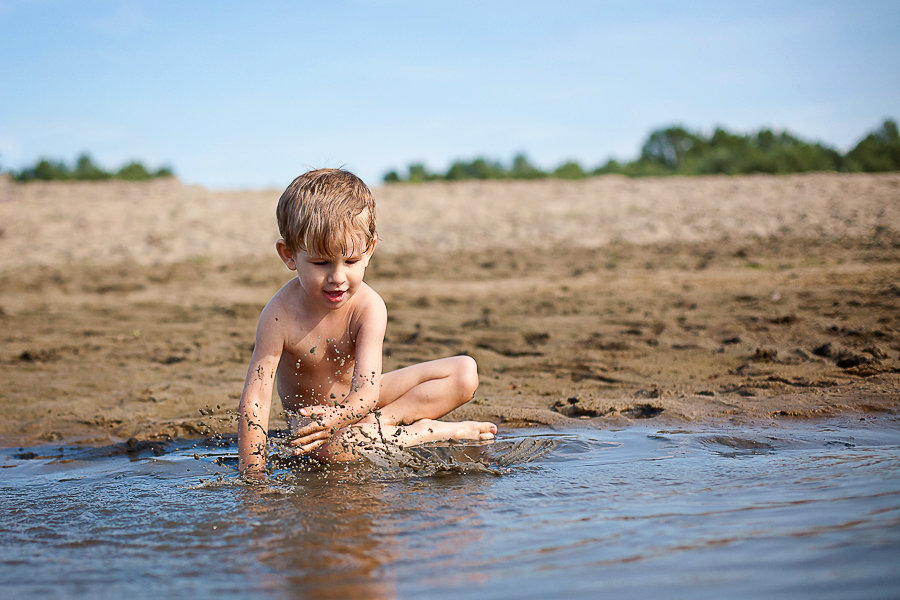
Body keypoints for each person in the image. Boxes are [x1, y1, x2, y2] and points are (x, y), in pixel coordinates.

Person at [237, 168, 496, 477]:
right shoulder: (279, 314)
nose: (337, 277)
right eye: (320, 263)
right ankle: (422, 432)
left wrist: (344, 416)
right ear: (289, 256)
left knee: (464, 372)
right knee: (330, 450)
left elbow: (367, 392)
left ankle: (405, 430)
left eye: (350, 261)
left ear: (369, 251)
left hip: (360, 403)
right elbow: (256, 398)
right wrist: (252, 476)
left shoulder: (368, 306)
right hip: (316, 429)